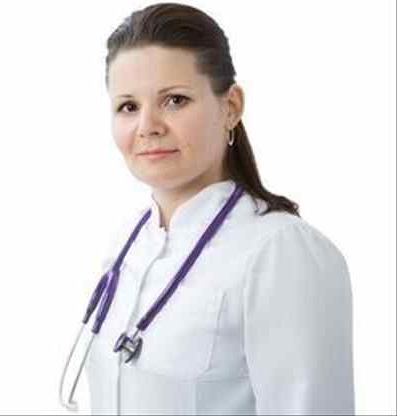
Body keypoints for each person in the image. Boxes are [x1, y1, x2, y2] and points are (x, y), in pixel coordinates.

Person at [84, 3, 355, 415]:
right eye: (128, 106)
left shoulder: (281, 252)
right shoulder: (128, 243)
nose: (148, 126)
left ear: (231, 107)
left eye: (175, 100)